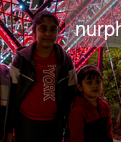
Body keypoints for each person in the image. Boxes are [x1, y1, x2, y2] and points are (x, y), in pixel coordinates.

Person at [6, 11, 77, 142]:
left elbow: (71, 98)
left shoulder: (65, 60)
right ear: (34, 32)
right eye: (43, 29)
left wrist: (68, 130)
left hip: (54, 125)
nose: (48, 34)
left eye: (53, 29)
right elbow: (11, 96)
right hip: (26, 124)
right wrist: (9, 130)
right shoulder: (21, 59)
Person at [66, 65, 113, 142]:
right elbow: (77, 138)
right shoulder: (78, 111)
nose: (94, 86)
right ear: (80, 87)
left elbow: (108, 130)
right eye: (89, 82)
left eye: (98, 81)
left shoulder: (105, 106)